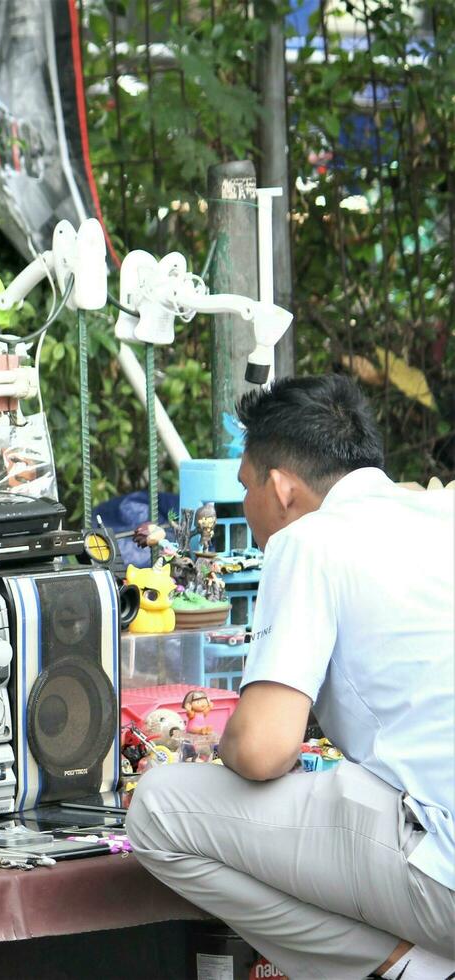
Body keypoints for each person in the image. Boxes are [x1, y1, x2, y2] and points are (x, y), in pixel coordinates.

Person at [125, 375, 455, 980]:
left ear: (280, 489)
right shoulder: (440, 513)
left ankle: (409, 969)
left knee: (158, 810)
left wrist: (214, 746)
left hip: (445, 873)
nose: (245, 509)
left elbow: (260, 750)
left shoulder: (309, 539)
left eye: (245, 488)